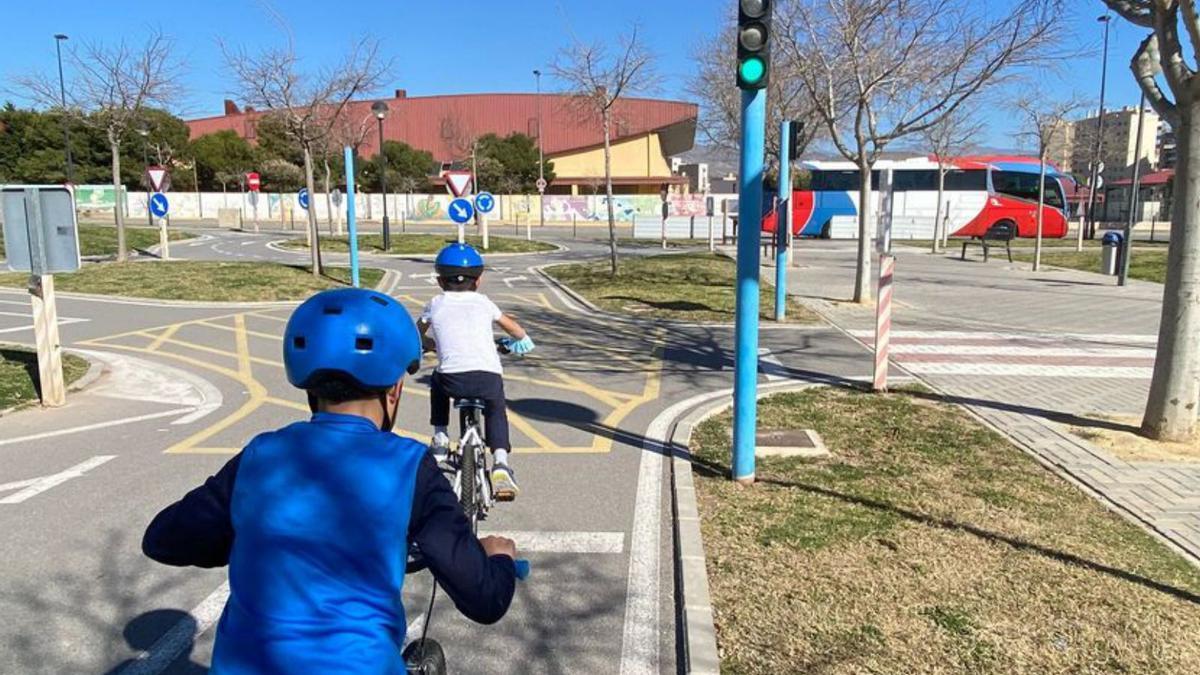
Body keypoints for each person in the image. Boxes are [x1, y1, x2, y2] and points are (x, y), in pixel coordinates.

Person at [141, 287, 518, 674]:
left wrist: (244, 534)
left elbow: (163, 540)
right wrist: (499, 557)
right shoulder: (409, 466)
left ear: (307, 385)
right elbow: (484, 599)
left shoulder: (262, 454)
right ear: (395, 389)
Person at [419, 242, 534, 501]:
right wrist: (518, 341)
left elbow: (418, 334)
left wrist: (431, 345)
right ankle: (501, 463)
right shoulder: (484, 303)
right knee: (496, 408)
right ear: (479, 280)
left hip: (451, 379)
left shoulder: (435, 303)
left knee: (436, 381)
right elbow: (516, 331)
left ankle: (440, 437)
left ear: (439, 281)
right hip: (486, 378)